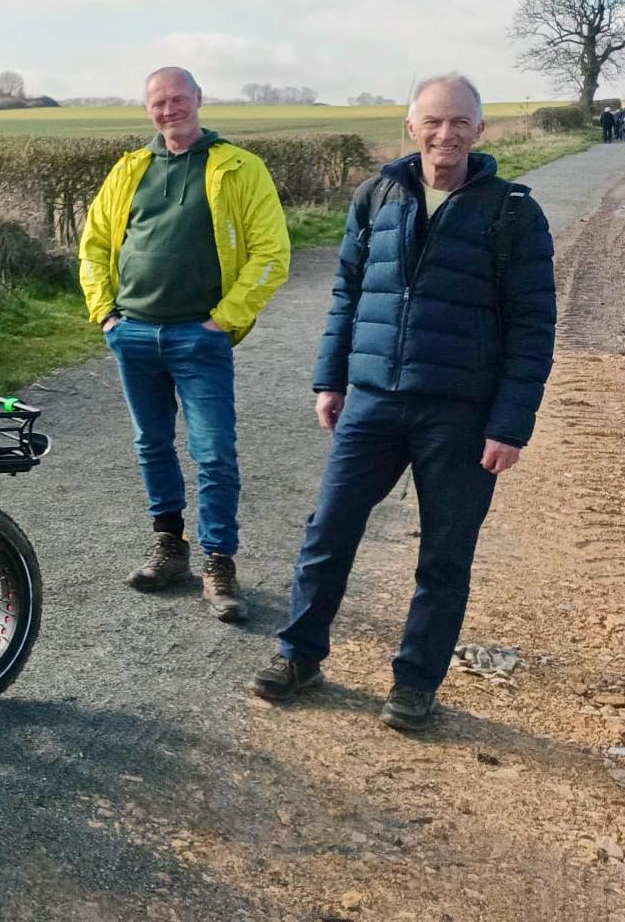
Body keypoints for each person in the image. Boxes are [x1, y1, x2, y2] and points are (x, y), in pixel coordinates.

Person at [250, 73, 555, 730]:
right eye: (432, 121)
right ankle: (298, 653)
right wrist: (329, 380)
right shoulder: (375, 195)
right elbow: (347, 294)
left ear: (479, 130)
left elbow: (533, 325)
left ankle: (415, 682)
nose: (445, 134)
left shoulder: (512, 212)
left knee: (444, 554)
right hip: (372, 402)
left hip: (461, 411)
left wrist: (510, 423)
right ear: (410, 127)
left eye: (459, 122)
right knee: (326, 531)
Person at [78, 66, 291, 622]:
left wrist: (224, 320)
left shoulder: (240, 168)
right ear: (147, 108)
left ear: (198, 99)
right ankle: (170, 549)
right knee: (152, 445)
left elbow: (273, 253)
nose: (169, 110)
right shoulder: (130, 169)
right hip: (134, 333)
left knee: (214, 452)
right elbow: (95, 245)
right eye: (158, 102)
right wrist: (105, 314)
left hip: (201, 337)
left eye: (178, 99)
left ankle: (220, 561)